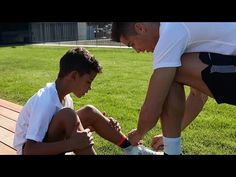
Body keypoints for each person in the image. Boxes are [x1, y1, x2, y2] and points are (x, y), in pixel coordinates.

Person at [111, 22, 236, 155]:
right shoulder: (180, 29)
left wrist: (139, 132)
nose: (136, 50)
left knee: (170, 72)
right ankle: (172, 150)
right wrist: (170, 137)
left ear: (140, 28)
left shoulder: (172, 29)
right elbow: (197, 95)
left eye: (132, 44)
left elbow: (153, 105)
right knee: (172, 69)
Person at [13, 47, 162, 155]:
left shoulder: (65, 98)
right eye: (88, 82)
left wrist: (102, 123)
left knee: (89, 112)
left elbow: (63, 131)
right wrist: (71, 143)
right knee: (68, 115)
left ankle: (133, 150)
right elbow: (29, 150)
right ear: (73, 76)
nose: (89, 88)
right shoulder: (45, 101)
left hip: (48, 144)